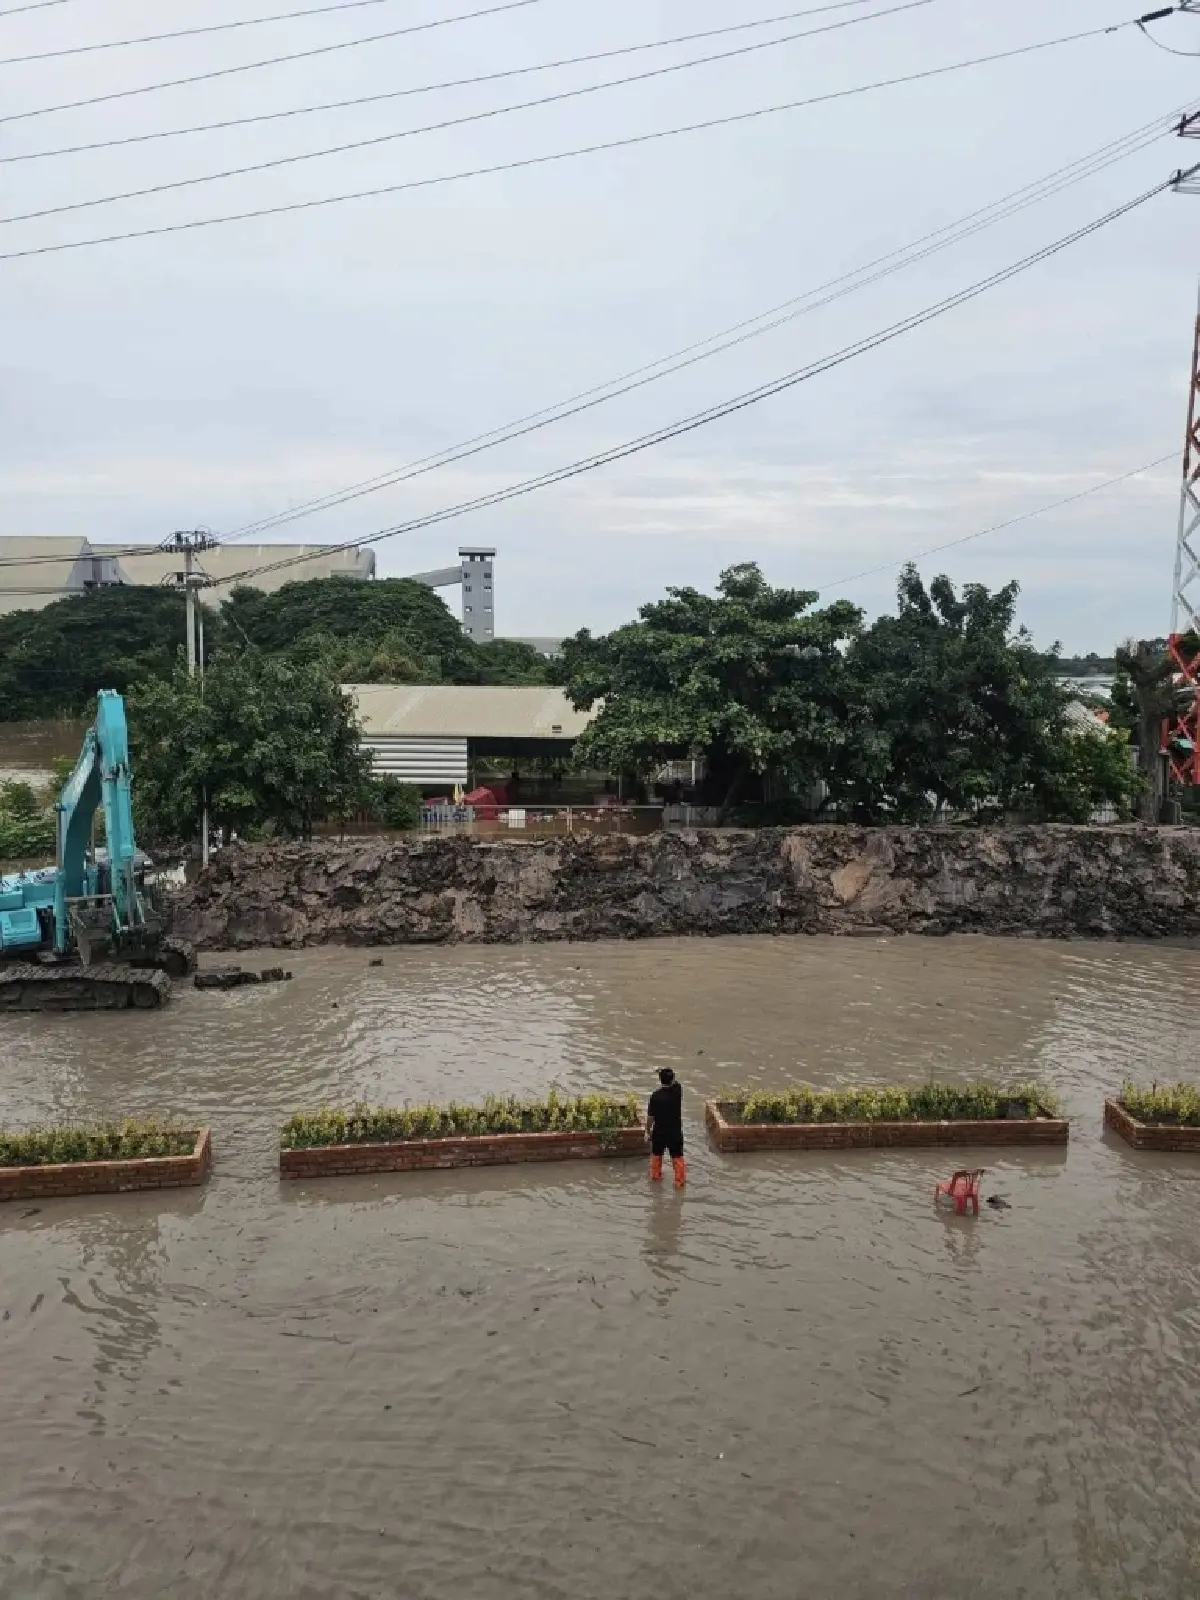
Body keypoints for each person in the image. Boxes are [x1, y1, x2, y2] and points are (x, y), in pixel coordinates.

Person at [647, 1067, 685, 1188]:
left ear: (660, 1080)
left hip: (659, 1132)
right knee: (677, 1156)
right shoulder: (677, 1091)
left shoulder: (655, 1096)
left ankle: (656, 1178)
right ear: (672, 1079)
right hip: (675, 1132)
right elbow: (675, 1082)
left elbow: (650, 1118)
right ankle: (679, 1182)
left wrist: (648, 1131)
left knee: (656, 1155)